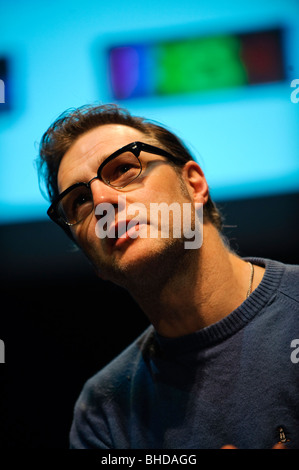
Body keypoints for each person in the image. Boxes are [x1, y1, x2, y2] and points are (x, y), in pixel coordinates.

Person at [37, 103, 299, 449]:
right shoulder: (104, 413)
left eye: (124, 168)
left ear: (193, 185)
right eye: (80, 201)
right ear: (93, 261)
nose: (102, 200)